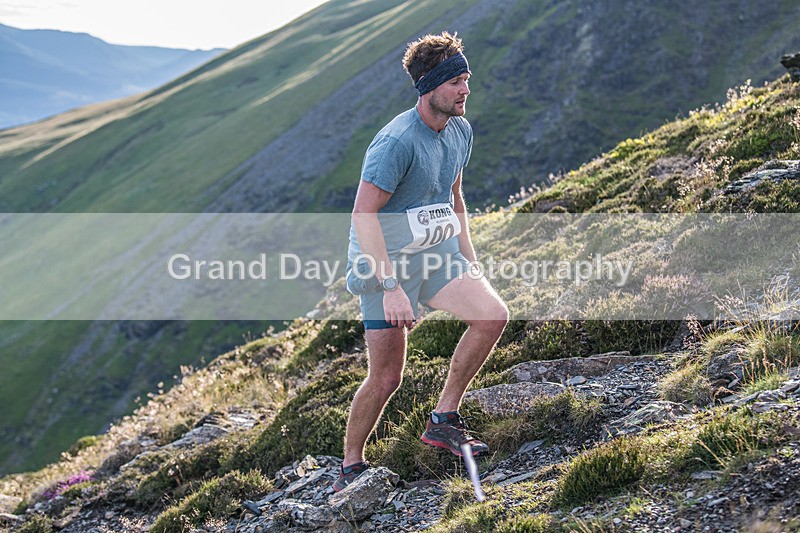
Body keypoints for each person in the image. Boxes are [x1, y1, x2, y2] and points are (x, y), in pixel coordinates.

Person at [334, 31, 508, 492]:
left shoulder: (460, 130)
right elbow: (363, 213)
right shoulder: (395, 143)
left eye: (467, 79)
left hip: (437, 255)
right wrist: (390, 286)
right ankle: (351, 466)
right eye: (456, 82)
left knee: (492, 316)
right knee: (387, 377)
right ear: (430, 87)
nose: (466, 90)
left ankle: (443, 418)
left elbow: (455, 198)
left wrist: (470, 261)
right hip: (385, 266)